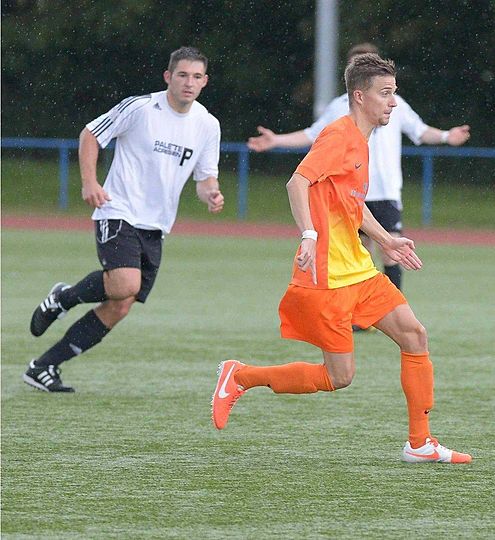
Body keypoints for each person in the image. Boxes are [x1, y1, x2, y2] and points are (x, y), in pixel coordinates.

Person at [213, 53, 472, 464]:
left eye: (394, 93)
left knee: (414, 336)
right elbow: (296, 182)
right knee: (339, 377)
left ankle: (420, 443)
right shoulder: (339, 135)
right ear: (359, 95)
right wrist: (310, 234)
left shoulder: (363, 141)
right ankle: (241, 375)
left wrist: (386, 240)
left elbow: (353, 204)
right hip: (328, 278)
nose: (392, 102)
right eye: (385, 94)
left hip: (359, 272)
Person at [24, 46, 223, 393]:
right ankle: (63, 298)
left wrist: (211, 194)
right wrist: (89, 181)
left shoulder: (207, 124)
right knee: (125, 284)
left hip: (156, 226)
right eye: (182, 75)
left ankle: (44, 366)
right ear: (168, 77)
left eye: (196, 77)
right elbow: (90, 134)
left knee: (120, 306)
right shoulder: (142, 108)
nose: (188, 82)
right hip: (118, 210)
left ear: (204, 81)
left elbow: (205, 178)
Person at [247, 43, 470, 297]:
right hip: (350, 194)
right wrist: (277, 140)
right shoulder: (339, 110)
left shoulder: (394, 103)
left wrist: (445, 136)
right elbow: (311, 136)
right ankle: (362, 312)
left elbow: (419, 131)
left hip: (385, 189)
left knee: (391, 247)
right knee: (360, 250)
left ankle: (391, 303)